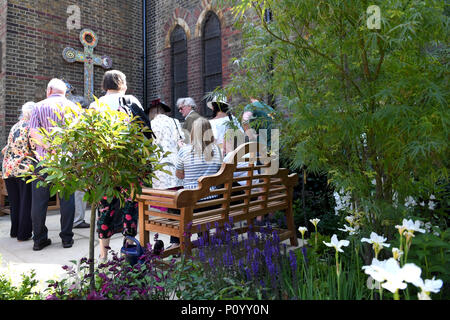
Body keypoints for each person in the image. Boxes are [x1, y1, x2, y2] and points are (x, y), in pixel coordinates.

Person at [90, 70, 142, 262]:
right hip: (129, 164)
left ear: (104, 85)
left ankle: (103, 254)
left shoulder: (96, 105)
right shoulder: (131, 101)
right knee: (130, 205)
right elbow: (142, 131)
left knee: (105, 209)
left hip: (105, 166)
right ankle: (128, 249)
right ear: (123, 84)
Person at [28, 78, 77, 251]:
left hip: (43, 161)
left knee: (39, 201)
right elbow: (78, 136)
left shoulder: (38, 106)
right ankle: (67, 238)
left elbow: (33, 133)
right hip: (66, 162)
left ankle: (39, 240)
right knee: (67, 200)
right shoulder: (74, 108)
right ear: (64, 92)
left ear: (49, 90)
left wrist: (50, 147)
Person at [170, 118, 223, 247]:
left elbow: (179, 174)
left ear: (193, 132)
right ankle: (204, 237)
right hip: (213, 203)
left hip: (192, 204)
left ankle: (176, 243)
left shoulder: (185, 151)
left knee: (175, 205)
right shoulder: (217, 150)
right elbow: (219, 174)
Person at [1, 102, 36, 241]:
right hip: (23, 168)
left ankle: (15, 231)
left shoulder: (15, 126)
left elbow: (7, 148)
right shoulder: (31, 127)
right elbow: (33, 148)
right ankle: (23, 234)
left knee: (15, 203)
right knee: (25, 202)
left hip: (8, 168)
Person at [149, 98, 184, 190]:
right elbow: (181, 140)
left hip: (159, 163)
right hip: (175, 161)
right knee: (177, 190)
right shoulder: (175, 121)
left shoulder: (150, 124)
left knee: (161, 191)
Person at [68, 95, 90, 229]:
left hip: (69, 160)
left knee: (74, 191)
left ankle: (74, 219)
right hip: (79, 159)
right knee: (79, 191)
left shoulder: (67, 118)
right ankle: (77, 219)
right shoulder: (79, 119)